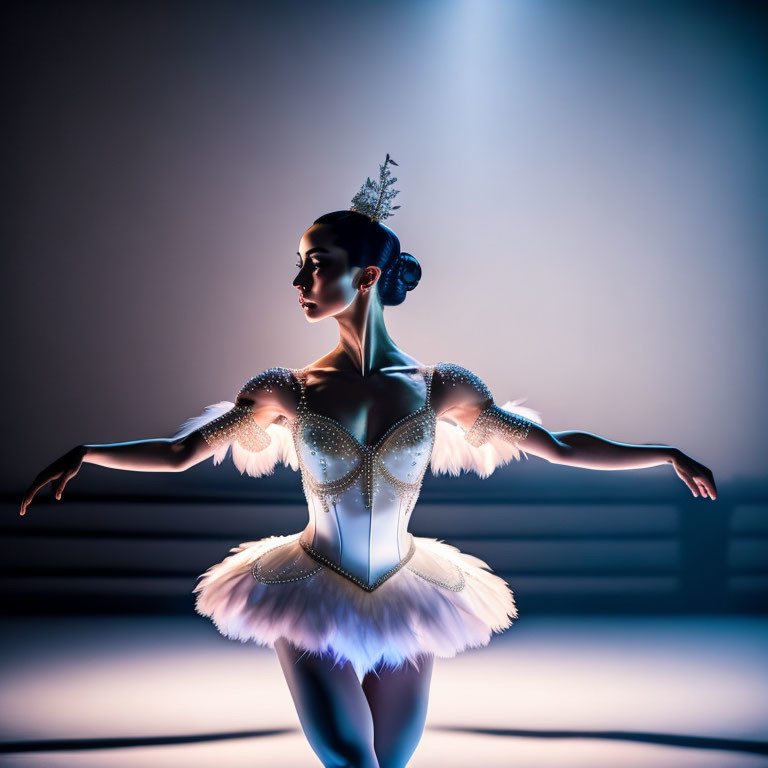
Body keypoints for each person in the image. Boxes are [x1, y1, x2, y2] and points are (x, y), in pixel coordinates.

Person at [20, 155, 717, 768]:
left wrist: (662, 455)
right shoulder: (284, 390)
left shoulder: (441, 386)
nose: (300, 278)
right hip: (308, 585)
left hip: (407, 589)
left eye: (316, 263)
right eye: (299, 264)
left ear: (369, 274)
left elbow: (558, 446)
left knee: (391, 760)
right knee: (352, 758)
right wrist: (89, 454)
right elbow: (179, 455)